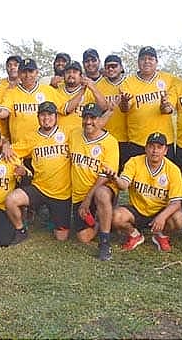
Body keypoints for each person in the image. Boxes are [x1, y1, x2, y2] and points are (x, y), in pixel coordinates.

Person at [6, 101, 72, 241]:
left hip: (62, 193)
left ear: (56, 117)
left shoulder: (68, 134)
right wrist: (7, 147)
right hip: (39, 188)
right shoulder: (32, 137)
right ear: (38, 117)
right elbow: (12, 152)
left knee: (62, 237)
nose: (46, 118)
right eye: (42, 115)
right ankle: (20, 230)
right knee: (11, 200)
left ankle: (53, 217)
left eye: (50, 114)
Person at [110, 132, 182, 252]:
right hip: (138, 210)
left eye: (159, 147)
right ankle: (135, 235)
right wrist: (115, 178)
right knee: (115, 217)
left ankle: (161, 235)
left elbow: (176, 202)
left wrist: (162, 217)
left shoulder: (173, 170)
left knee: (179, 219)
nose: (155, 151)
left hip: (159, 211)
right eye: (151, 146)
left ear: (165, 150)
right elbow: (124, 185)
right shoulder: (134, 162)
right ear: (146, 148)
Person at [68, 103, 120, 261]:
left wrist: (87, 199)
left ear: (100, 119)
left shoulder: (110, 142)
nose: (88, 121)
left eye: (93, 118)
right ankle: (101, 220)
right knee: (83, 237)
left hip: (101, 189)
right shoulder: (74, 135)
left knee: (101, 194)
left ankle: (105, 242)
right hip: (79, 194)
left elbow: (105, 176)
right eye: (85, 117)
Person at [118, 46, 178, 163]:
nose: (147, 61)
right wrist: (124, 102)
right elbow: (125, 108)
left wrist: (165, 106)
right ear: (138, 62)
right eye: (143, 59)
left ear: (156, 62)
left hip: (163, 143)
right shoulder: (128, 82)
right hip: (138, 142)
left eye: (150, 58)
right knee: (137, 179)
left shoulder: (169, 79)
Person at [0, 58, 63, 144]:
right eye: (24, 72)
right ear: (19, 74)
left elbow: (65, 107)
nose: (27, 75)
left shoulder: (48, 90)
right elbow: (4, 112)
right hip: (19, 147)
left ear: (36, 72)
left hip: (42, 147)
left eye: (31, 71)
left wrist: (81, 88)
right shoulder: (11, 92)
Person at [96, 54, 129, 171]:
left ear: (121, 67)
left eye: (114, 66)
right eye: (107, 67)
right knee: (108, 172)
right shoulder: (99, 85)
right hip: (106, 136)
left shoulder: (129, 83)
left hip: (127, 138)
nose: (110, 69)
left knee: (125, 174)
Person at [55, 60, 107, 131]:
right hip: (61, 136)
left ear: (81, 76)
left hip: (82, 135)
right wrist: (82, 91)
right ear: (63, 75)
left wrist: (93, 88)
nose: (71, 75)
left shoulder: (90, 91)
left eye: (75, 72)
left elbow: (104, 107)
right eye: (68, 72)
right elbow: (66, 110)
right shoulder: (56, 91)